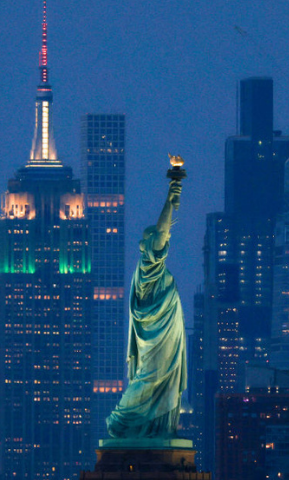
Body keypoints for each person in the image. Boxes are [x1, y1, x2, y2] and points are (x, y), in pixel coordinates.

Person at [106, 179, 187, 438]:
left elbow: (163, 233)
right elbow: (162, 232)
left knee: (160, 383)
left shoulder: (155, 272)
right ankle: (123, 420)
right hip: (154, 340)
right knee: (148, 380)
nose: (166, 241)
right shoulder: (148, 268)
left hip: (165, 339)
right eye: (160, 241)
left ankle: (155, 429)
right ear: (150, 245)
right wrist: (170, 199)